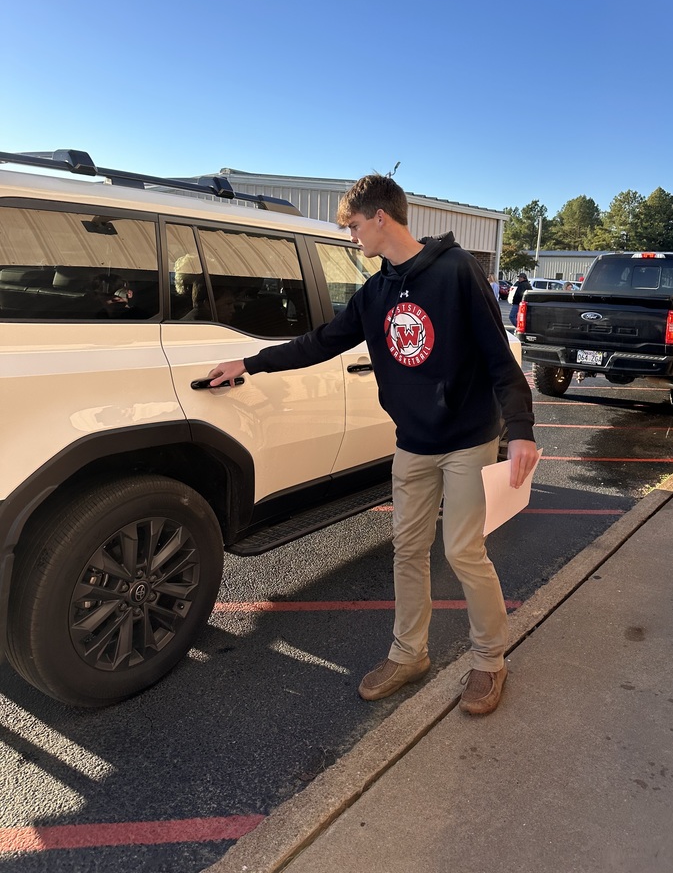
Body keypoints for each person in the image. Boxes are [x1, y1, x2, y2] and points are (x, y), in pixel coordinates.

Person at [208, 174, 538, 716]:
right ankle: (409, 655)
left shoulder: (457, 271)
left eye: (356, 226)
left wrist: (520, 429)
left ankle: (490, 660)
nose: (353, 236)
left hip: (466, 438)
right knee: (407, 550)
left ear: (381, 217)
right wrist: (249, 362)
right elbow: (321, 342)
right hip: (413, 442)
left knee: (462, 551)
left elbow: (498, 355)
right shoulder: (376, 292)